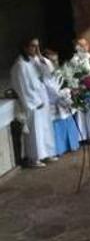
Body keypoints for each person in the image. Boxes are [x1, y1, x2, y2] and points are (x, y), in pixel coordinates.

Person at [10, 38, 56, 166]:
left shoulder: (35, 60)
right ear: (25, 47)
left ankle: (46, 154)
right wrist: (34, 101)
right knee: (35, 131)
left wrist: (41, 58)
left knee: (45, 127)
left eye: (37, 46)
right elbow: (22, 86)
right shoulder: (20, 65)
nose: (36, 49)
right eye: (33, 46)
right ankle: (34, 158)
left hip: (42, 97)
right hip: (33, 101)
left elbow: (48, 73)